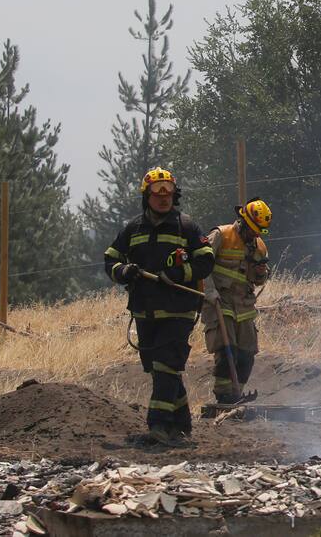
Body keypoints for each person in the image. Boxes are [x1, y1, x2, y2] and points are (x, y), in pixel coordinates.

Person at [104, 167, 215, 445]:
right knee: (158, 367)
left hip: (179, 310)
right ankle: (182, 423)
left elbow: (205, 260)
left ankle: (158, 426)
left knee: (166, 364)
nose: (164, 197)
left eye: (168, 192)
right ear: (147, 196)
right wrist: (124, 271)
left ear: (174, 195)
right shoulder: (133, 228)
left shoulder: (187, 226)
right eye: (157, 192)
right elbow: (110, 259)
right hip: (145, 310)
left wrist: (178, 274)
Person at [201, 198, 272, 404]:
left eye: (259, 231)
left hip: (244, 306)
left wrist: (260, 272)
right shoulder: (221, 235)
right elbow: (202, 265)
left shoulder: (259, 245)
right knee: (226, 349)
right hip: (219, 301)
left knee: (247, 352)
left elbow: (258, 281)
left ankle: (237, 393)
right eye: (252, 229)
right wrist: (209, 292)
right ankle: (224, 397)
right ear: (242, 221)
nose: (255, 234)